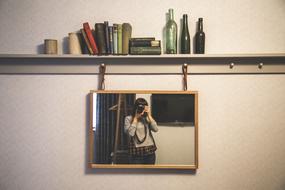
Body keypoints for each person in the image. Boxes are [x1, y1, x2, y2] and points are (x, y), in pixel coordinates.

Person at [124, 98, 158, 164]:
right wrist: (135, 119)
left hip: (150, 151)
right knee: (136, 173)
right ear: (135, 108)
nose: (141, 110)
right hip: (136, 152)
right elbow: (130, 134)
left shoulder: (147, 119)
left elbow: (156, 129)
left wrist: (149, 115)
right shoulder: (128, 118)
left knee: (150, 173)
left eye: (143, 108)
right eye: (140, 108)